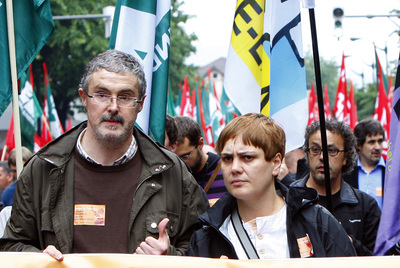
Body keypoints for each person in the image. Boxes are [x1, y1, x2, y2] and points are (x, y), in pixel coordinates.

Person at [0, 50, 208, 260]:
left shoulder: (173, 171)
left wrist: (169, 256)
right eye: (102, 94)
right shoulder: (43, 168)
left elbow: (204, 248)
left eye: (125, 97)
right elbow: (12, 246)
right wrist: (39, 259)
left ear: (141, 104)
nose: (113, 107)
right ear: (84, 98)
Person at [187, 113, 356, 259]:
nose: (235, 168)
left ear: (276, 163)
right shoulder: (207, 236)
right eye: (227, 158)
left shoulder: (318, 223)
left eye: (247, 158)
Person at [291, 120, 381, 256]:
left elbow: (379, 259)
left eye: (331, 150)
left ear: (345, 157)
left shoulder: (366, 206)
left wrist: (346, 241)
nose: (322, 157)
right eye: (315, 150)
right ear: (307, 154)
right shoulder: (288, 200)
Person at [175, 116, 227, 200]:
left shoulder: (227, 171)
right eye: (174, 157)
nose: (179, 162)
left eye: (185, 156)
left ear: (200, 144)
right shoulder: (172, 177)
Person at [344, 118, 385, 209]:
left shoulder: (391, 171)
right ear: (359, 145)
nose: (377, 147)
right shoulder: (347, 172)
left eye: (380, 141)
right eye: (372, 142)